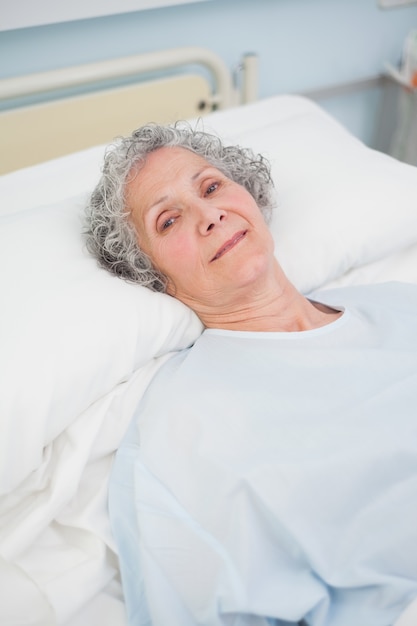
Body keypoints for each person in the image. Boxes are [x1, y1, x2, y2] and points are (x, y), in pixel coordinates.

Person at [86, 123, 417, 626]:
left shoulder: (398, 302)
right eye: (169, 220)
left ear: (253, 197)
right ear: (153, 277)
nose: (209, 215)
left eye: (212, 186)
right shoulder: (180, 431)